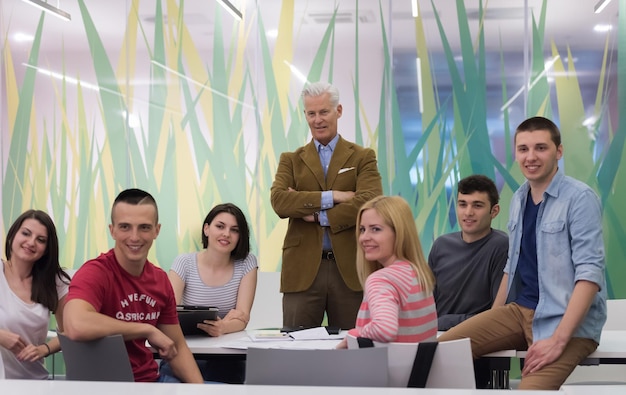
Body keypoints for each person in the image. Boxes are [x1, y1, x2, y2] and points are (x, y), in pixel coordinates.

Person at [439, 116, 607, 390]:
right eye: (523, 149)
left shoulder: (579, 198)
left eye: (541, 148)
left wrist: (558, 340)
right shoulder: (518, 198)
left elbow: (589, 275)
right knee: (438, 354)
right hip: (520, 311)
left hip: (566, 322)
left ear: (558, 152)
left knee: (528, 389)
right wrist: (491, 320)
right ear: (516, 153)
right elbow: (512, 266)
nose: (531, 157)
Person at [270, 81, 383, 330]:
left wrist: (319, 216)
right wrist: (336, 195)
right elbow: (280, 201)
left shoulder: (363, 157)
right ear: (305, 115)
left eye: (324, 112)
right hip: (302, 271)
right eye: (311, 113)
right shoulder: (290, 160)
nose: (317, 119)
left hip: (351, 271)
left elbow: (370, 202)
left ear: (338, 111)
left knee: (355, 349)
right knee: (295, 350)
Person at [63, 188, 203, 383]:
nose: (135, 237)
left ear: (157, 230)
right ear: (112, 230)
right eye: (125, 227)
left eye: (144, 227)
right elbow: (76, 325)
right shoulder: (95, 272)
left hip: (150, 382)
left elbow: (177, 346)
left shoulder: (160, 280)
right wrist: (147, 329)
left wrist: (201, 389)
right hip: (104, 387)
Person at [166, 202, 257, 383]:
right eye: (220, 226)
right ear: (206, 229)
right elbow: (168, 314)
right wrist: (229, 321)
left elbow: (243, 317)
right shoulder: (184, 262)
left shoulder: (247, 263)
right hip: (186, 349)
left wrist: (222, 327)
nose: (226, 234)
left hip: (225, 355)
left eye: (234, 230)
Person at [337, 196, 438, 348]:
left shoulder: (382, 280)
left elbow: (384, 329)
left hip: (385, 370)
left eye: (375, 229)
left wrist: (353, 335)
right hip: (416, 370)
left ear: (399, 232)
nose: (364, 238)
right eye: (362, 229)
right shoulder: (418, 273)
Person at [428, 174, 508, 331]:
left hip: (480, 342)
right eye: (462, 204)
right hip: (437, 340)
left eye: (477, 205)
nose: (468, 212)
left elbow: (498, 314)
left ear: (494, 211)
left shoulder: (502, 246)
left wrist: (443, 322)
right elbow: (425, 305)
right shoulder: (440, 246)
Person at [0, 210, 71, 379]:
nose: (31, 242)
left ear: (46, 249)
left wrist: (44, 349)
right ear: (12, 236)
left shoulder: (55, 281)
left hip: (36, 382)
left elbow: (70, 332)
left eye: (41, 240)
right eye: (26, 233)